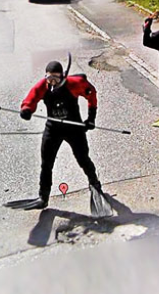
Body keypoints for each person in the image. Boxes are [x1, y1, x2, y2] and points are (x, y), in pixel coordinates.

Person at [15, 60, 101, 210]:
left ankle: (95, 184)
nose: (52, 82)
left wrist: (91, 118)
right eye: (49, 78)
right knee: (46, 163)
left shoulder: (75, 84)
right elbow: (32, 97)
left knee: (83, 158)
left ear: (63, 76)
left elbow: (91, 94)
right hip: (53, 129)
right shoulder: (43, 85)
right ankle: (43, 196)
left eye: (56, 78)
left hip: (73, 128)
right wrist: (27, 109)